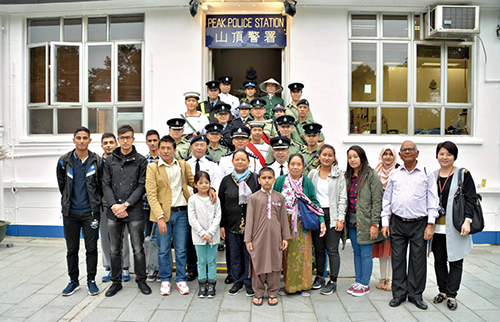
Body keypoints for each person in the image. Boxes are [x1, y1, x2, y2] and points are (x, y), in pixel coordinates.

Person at [381, 141, 439, 310]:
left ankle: (415, 295)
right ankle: (398, 294)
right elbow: (387, 200)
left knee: (418, 260)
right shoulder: (395, 174)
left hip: (419, 224)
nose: (407, 152)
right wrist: (385, 223)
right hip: (397, 223)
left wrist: (430, 224)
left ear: (417, 153)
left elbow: (433, 200)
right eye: (404, 150)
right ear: (400, 155)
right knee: (398, 260)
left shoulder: (426, 174)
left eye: (410, 150)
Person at [102, 124, 151, 297]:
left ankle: (141, 280)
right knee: (115, 249)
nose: (125, 141)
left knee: (138, 248)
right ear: (118, 139)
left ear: (133, 138)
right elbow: (105, 184)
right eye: (122, 138)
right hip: (114, 211)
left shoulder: (140, 160)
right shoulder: (109, 161)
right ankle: (116, 282)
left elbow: (141, 185)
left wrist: (126, 205)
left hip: (134, 210)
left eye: (128, 137)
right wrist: (114, 205)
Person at [56, 126, 102, 296]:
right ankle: (73, 281)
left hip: (91, 213)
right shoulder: (64, 161)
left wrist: (96, 204)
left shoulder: (97, 161)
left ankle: (91, 280)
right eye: (79, 138)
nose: (82, 141)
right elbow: (63, 186)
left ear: (90, 140)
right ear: (73, 140)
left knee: (91, 248)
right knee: (71, 249)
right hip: (71, 213)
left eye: (85, 138)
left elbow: (100, 186)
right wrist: (68, 204)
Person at [273, 153, 327, 296]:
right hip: (284, 221)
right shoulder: (280, 181)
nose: (295, 167)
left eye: (299, 164)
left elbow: (313, 202)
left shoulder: (307, 182)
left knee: (304, 254)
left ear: (303, 166)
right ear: (288, 165)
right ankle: (289, 285)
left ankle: (304, 286)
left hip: (302, 223)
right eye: (292, 164)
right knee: (287, 254)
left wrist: (321, 220)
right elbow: (273, 201)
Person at [431, 141, 475, 311]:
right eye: (441, 153)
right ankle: (442, 291)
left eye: (449, 154)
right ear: (437, 156)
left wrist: (467, 220)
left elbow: (471, 198)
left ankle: (452, 295)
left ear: (454, 156)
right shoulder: (433, 176)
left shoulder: (463, 174)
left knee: (456, 260)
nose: (445, 157)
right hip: (437, 228)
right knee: (439, 260)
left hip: (456, 226)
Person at [245, 167, 291, 306]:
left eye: (269, 178)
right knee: (257, 263)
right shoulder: (254, 198)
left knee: (275, 265)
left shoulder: (279, 197)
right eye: (263, 178)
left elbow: (283, 218)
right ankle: (258, 292)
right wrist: (248, 240)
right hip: (258, 238)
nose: (266, 180)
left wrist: (285, 237)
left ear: (274, 179)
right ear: (259, 180)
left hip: (275, 237)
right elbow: (250, 219)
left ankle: (272, 292)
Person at [344, 145, 385, 297]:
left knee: (366, 253)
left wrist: (375, 224)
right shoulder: (347, 176)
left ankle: (365, 284)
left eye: (355, 156)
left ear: (361, 157)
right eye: (350, 157)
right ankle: (358, 280)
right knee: (357, 252)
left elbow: (377, 200)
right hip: (352, 221)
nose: (352, 160)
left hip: (367, 222)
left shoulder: (371, 175)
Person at [219, 150, 260, 296]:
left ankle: (249, 282)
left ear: (249, 162)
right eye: (237, 159)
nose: (240, 162)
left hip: (252, 225)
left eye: (243, 159)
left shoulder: (255, 179)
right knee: (234, 254)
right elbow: (221, 204)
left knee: (249, 254)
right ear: (232, 162)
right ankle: (237, 281)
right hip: (231, 224)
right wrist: (222, 225)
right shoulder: (226, 180)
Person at [308, 144, 347, 295]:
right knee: (318, 248)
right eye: (324, 154)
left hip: (333, 214)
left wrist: (340, 219)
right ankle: (319, 277)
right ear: (319, 156)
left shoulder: (339, 174)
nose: (327, 158)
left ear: (334, 157)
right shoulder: (313, 174)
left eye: (330, 155)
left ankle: (333, 281)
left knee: (332, 249)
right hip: (317, 214)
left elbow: (342, 198)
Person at [99, 133, 131, 283]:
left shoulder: (121, 161)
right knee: (106, 238)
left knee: (121, 238)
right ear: (102, 146)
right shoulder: (97, 163)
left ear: (116, 144)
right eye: (105, 143)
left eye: (111, 142)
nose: (108, 145)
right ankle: (109, 267)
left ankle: (124, 267)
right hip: (104, 206)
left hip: (119, 206)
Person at [188, 171, 221, 298]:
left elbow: (218, 216)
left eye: (206, 182)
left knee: (212, 260)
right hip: (198, 237)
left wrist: (210, 233)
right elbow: (192, 219)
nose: (204, 185)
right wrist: (203, 234)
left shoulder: (215, 199)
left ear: (210, 184)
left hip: (213, 236)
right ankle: (202, 284)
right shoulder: (192, 200)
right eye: (200, 183)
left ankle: (212, 284)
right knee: (201, 261)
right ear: (195, 184)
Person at [372, 145, 398, 292]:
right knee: (382, 247)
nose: (387, 157)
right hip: (379, 214)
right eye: (385, 154)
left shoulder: (399, 171)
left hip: (394, 216)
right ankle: (382, 277)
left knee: (392, 248)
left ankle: (391, 279)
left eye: (390, 154)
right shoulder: (376, 171)